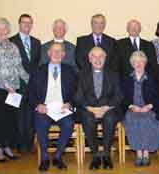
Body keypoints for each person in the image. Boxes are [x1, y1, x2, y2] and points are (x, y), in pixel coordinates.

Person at [28, 42, 77, 171]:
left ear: (64, 54)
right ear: (48, 53)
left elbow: (77, 92)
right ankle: (44, 157)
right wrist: (38, 105)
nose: (56, 54)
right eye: (54, 51)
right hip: (45, 108)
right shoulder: (38, 71)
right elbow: (30, 92)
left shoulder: (70, 71)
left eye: (59, 51)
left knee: (69, 123)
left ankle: (57, 156)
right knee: (40, 122)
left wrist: (70, 103)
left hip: (62, 108)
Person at [0, 18, 29, 162]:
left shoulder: (13, 46)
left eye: (5, 29)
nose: (3, 31)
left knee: (10, 119)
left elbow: (19, 66)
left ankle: (8, 148)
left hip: (13, 89)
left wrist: (30, 81)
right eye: (0, 29)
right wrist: (6, 85)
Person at [75, 47, 123, 170]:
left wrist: (106, 108)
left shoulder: (113, 74)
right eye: (94, 57)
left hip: (108, 108)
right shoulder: (81, 74)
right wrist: (91, 109)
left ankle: (106, 154)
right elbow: (78, 96)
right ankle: (95, 154)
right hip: (88, 108)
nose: (98, 59)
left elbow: (119, 95)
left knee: (110, 118)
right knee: (88, 119)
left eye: (101, 56)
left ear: (105, 59)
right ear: (90, 59)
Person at [121, 51, 159, 167]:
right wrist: (131, 106)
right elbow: (122, 97)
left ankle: (145, 153)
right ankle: (138, 153)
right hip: (132, 108)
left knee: (147, 120)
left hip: (149, 108)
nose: (139, 64)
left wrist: (150, 106)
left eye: (141, 61)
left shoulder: (152, 78)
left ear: (145, 63)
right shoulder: (126, 78)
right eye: (136, 62)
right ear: (132, 64)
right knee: (135, 120)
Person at [9, 13, 41, 152]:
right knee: (17, 117)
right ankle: (17, 145)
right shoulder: (10, 42)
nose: (27, 25)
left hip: (32, 86)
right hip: (16, 86)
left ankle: (28, 145)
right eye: (24, 22)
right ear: (19, 24)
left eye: (29, 23)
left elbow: (37, 64)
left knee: (30, 116)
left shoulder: (36, 42)